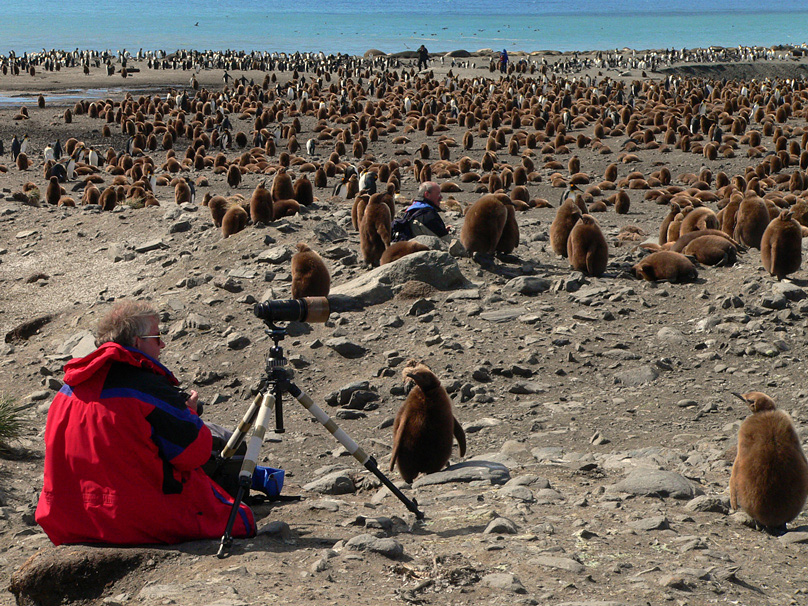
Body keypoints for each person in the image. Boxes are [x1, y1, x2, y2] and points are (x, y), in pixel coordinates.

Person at [35, 300, 256, 546]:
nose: (162, 344)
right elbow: (195, 454)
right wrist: (190, 415)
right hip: (127, 518)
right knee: (239, 515)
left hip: (68, 518)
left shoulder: (68, 389)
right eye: (157, 336)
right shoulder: (145, 387)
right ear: (137, 342)